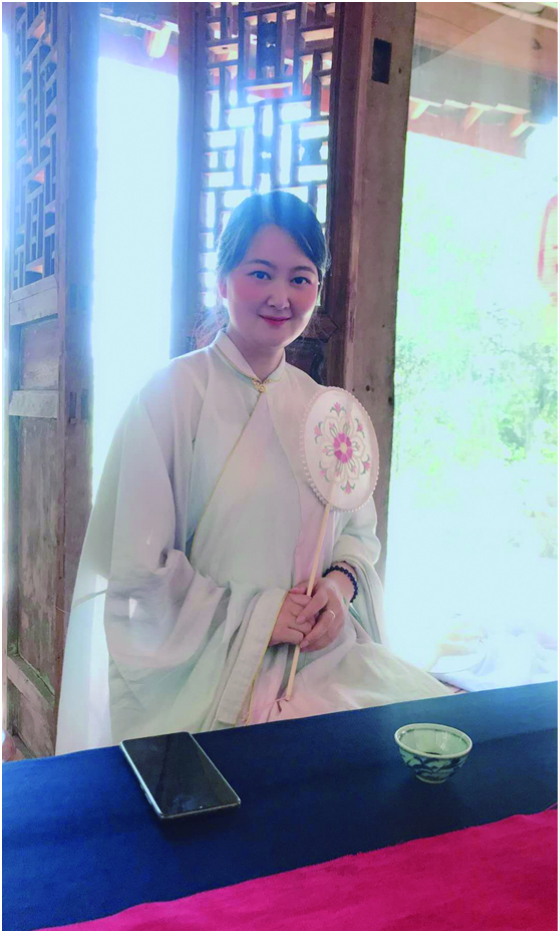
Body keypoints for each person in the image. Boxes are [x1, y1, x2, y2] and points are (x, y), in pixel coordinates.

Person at [56, 192, 449, 754]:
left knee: (431, 732)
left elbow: (358, 534)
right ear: (222, 281)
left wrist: (338, 589)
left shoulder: (326, 411)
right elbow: (139, 573)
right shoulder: (169, 399)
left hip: (321, 659)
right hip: (213, 678)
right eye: (260, 273)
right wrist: (260, 618)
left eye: (300, 278)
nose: (280, 297)